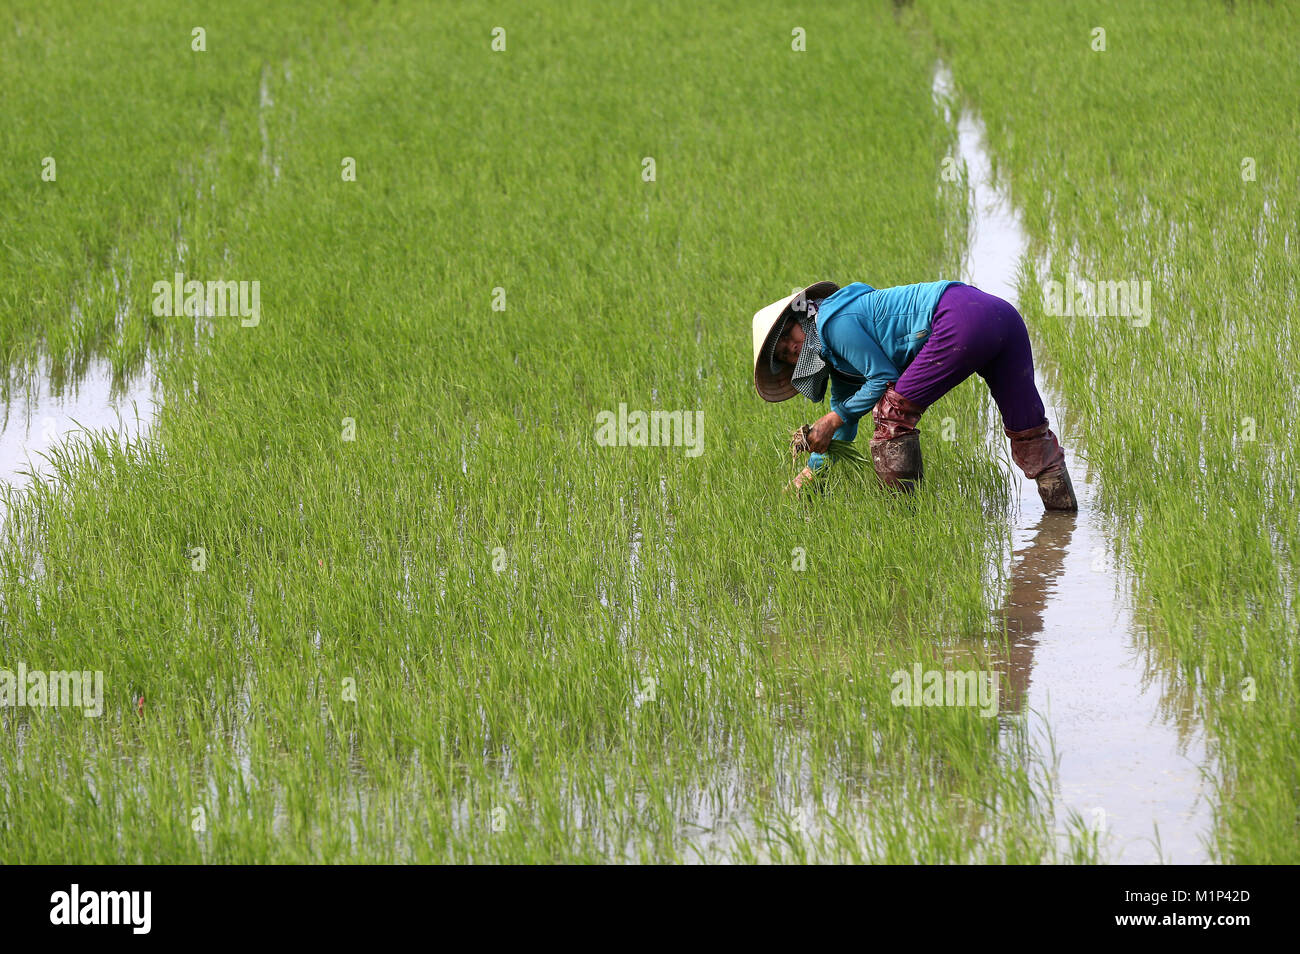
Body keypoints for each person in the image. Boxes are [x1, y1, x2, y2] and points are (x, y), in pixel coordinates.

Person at [751, 279, 1077, 509]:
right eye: (784, 355)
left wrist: (833, 419)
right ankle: (1061, 525)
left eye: (788, 338)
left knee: (892, 415)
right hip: (1001, 315)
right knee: (1028, 429)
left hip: (957, 318)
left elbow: (881, 377)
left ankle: (906, 522)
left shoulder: (833, 322)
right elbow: (845, 421)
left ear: (800, 318)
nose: (792, 349)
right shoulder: (840, 361)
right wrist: (811, 472)